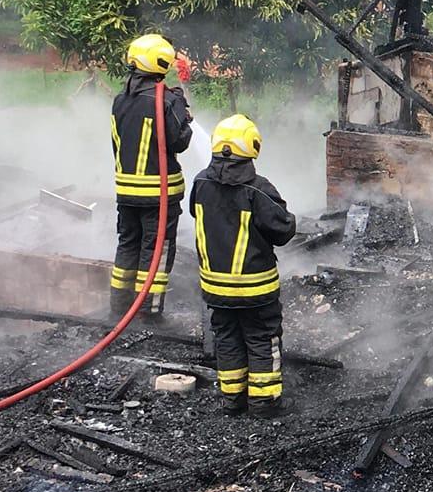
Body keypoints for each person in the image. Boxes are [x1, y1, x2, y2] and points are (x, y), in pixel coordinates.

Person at [189, 113, 296, 415]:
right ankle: (264, 402)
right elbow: (283, 230)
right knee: (262, 338)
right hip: (255, 288)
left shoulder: (199, 184)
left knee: (227, 338)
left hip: (215, 288)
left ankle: (232, 399)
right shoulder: (258, 190)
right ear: (252, 147)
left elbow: (200, 217)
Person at [111, 32, 194, 320]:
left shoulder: (120, 100)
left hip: (127, 191)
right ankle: (149, 312)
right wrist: (185, 116)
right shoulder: (166, 101)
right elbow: (178, 142)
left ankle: (120, 308)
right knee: (156, 251)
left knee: (127, 246)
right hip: (159, 194)